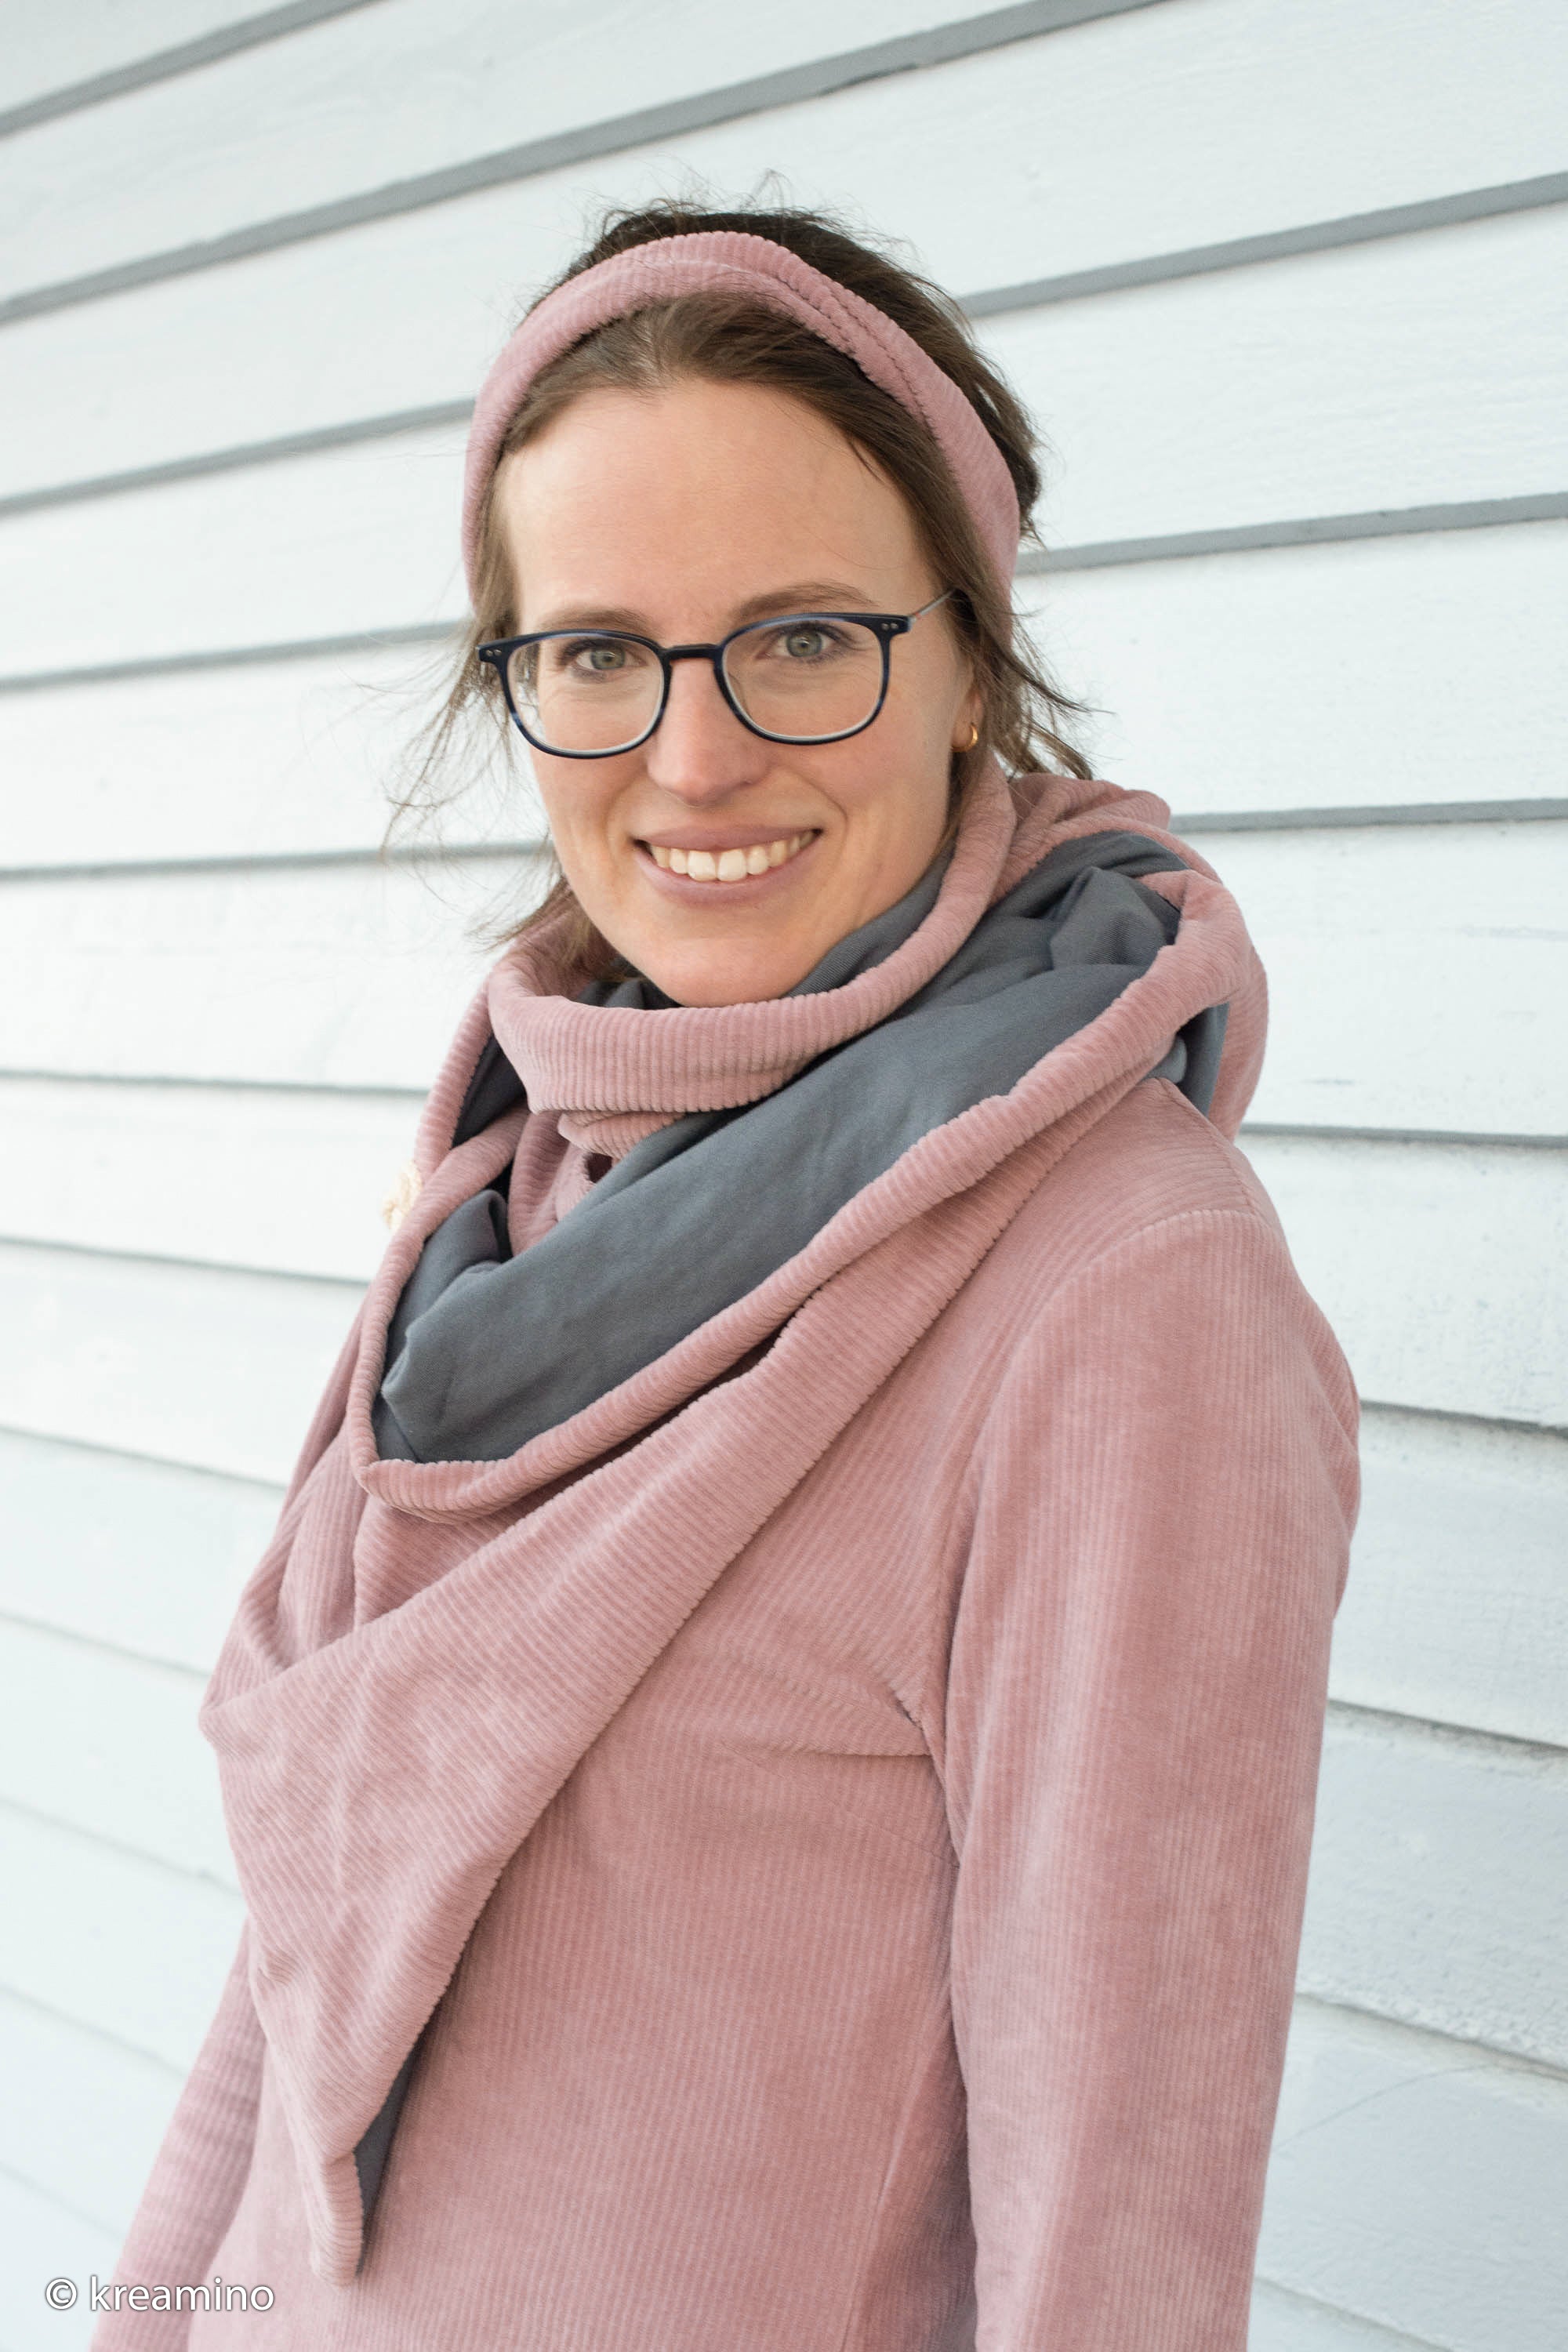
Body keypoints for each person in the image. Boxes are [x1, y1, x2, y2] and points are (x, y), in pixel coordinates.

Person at [96, 202, 1359, 2352]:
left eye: (803, 638)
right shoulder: (515, 1197)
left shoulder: (1114, 1296)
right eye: (598, 652)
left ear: (970, 661)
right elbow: (306, 1989)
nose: (693, 760)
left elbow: (1117, 2250)